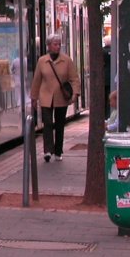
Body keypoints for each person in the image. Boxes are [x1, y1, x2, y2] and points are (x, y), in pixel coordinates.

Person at [30, 34, 80, 162]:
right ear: (49, 46)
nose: (58, 47)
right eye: (55, 44)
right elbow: (37, 80)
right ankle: (47, 150)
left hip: (61, 98)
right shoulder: (42, 61)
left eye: (59, 44)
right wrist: (34, 98)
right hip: (46, 97)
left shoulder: (66, 61)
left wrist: (75, 93)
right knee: (47, 124)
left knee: (59, 125)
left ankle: (58, 151)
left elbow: (74, 79)